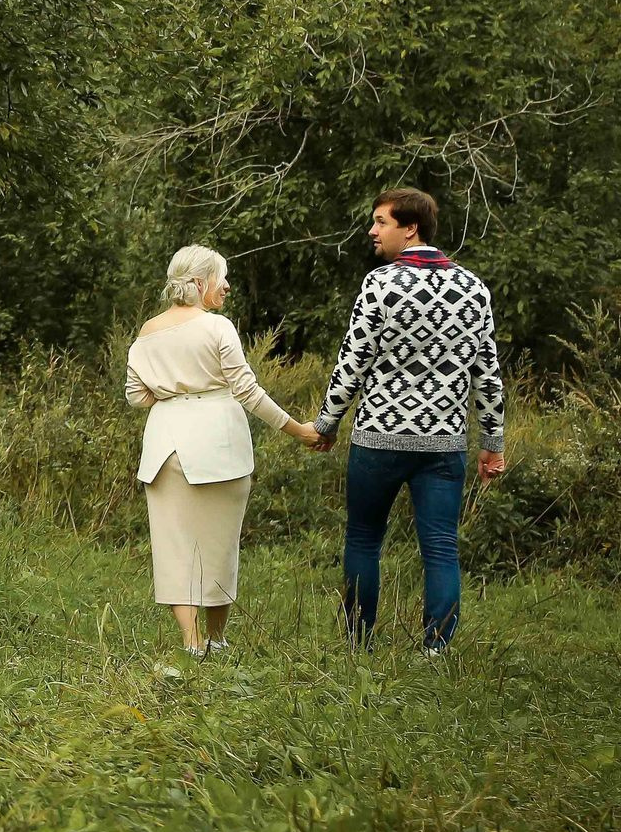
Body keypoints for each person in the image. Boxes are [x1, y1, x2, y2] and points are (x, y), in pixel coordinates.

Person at [313, 187, 507, 653]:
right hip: (443, 444)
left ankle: (359, 645)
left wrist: (327, 422)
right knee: (440, 546)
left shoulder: (379, 284)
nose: (372, 231)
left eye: (381, 222)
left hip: (378, 440)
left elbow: (353, 361)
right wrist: (493, 441)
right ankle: (435, 651)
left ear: (411, 227)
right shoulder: (473, 288)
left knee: (363, 539)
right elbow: (487, 371)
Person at [126, 245, 324, 656]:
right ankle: (216, 639)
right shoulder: (217, 327)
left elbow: (135, 396)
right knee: (220, 542)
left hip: (164, 444)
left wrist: (171, 389)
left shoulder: (147, 331)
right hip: (218, 440)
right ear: (200, 284)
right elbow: (247, 391)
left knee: (173, 544)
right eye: (222, 277)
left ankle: (191, 640)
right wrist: (297, 430)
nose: (228, 285)